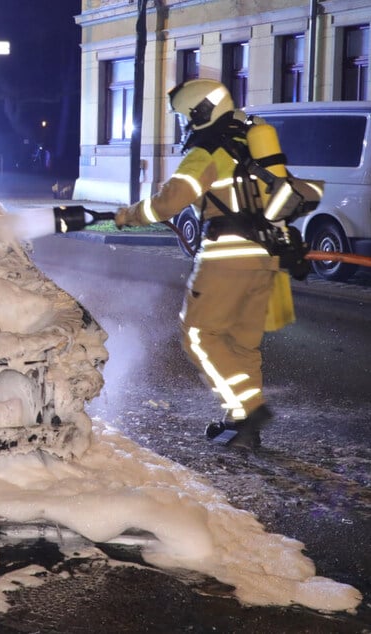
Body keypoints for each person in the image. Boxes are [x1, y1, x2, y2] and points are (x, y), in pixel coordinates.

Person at [114, 78, 290, 450]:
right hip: (266, 257)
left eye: (186, 117)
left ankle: (248, 411)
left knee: (198, 336)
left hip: (227, 257)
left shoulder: (207, 149)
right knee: (242, 345)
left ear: (201, 112)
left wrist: (129, 215)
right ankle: (243, 428)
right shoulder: (249, 140)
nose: (185, 126)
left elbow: (168, 202)